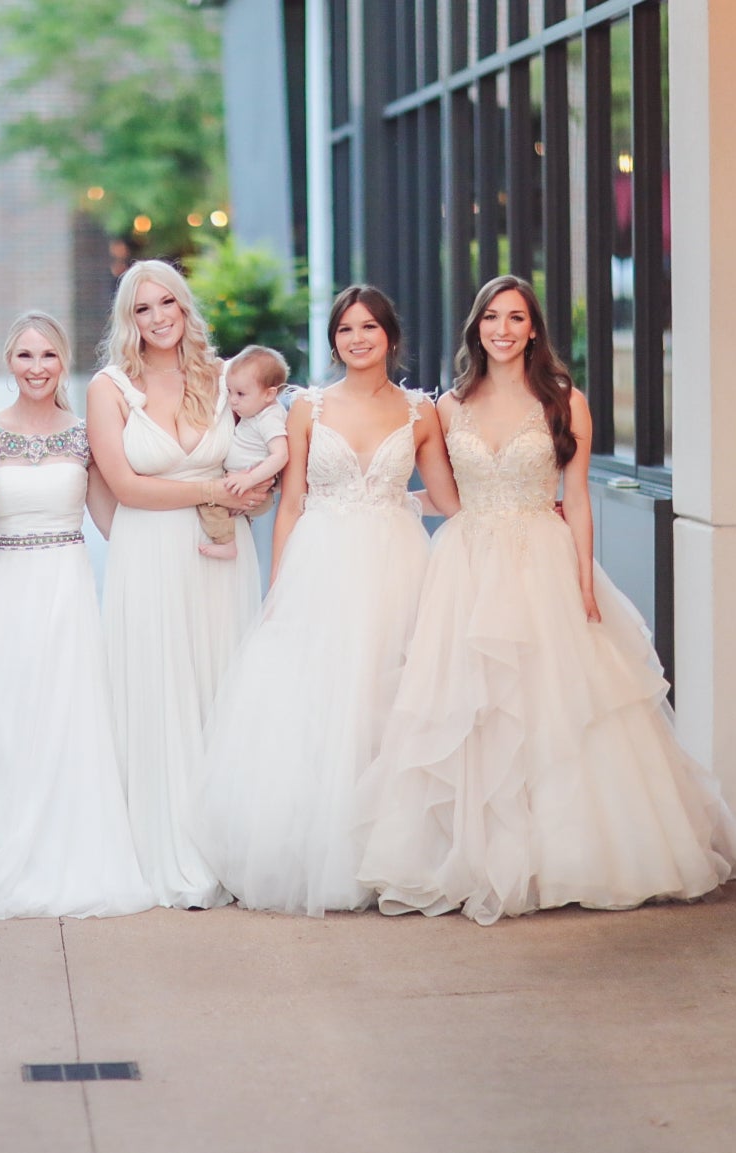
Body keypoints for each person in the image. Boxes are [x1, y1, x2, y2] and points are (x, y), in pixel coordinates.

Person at [356, 275, 736, 924]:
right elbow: (434, 487)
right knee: (468, 708)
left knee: (553, 704)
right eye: (490, 317)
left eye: (514, 317)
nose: (502, 329)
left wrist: (584, 583)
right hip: (467, 565)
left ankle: (563, 856)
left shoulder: (564, 399)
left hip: (542, 555)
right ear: (475, 328)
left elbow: (580, 496)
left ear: (532, 328)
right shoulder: (447, 406)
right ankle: (465, 855)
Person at [193, 287, 460, 916]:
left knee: (390, 695)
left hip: (396, 563)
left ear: (390, 335)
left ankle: (391, 849)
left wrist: (407, 502)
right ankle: (318, 850)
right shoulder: (307, 407)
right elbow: (290, 502)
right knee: (316, 700)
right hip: (321, 563)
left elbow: (447, 500)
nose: (357, 338)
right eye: (345, 328)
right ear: (334, 339)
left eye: (369, 327)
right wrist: (279, 586)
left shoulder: (422, 411)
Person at [0, 312, 154, 920]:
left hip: (66, 588)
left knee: (69, 712)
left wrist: (180, 546)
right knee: (9, 712)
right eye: (24, 356)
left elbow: (110, 519)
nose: (37, 368)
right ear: (7, 362)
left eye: (48, 356)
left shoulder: (81, 432)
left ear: (63, 361)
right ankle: (4, 842)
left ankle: (75, 847)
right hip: (5, 586)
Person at [85, 259, 267, 910]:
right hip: (148, 553)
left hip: (220, 553)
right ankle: (164, 846)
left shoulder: (225, 379)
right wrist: (212, 488)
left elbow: (260, 462)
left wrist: (251, 495)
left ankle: (228, 844)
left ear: (185, 306)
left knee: (222, 690)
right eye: (142, 307)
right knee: (159, 693)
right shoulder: (109, 387)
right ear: (126, 319)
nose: (158, 316)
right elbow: (124, 484)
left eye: (168, 302)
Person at [196, 345, 291, 561]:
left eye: (240, 394)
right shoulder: (255, 411)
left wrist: (249, 479)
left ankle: (227, 544)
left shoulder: (270, 418)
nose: (233, 400)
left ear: (269, 394)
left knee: (209, 502)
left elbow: (280, 455)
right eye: (230, 392)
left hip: (252, 485)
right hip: (242, 481)